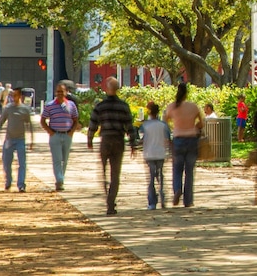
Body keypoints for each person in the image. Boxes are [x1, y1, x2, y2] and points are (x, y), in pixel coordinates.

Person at [86, 76, 137, 216]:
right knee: (115, 174)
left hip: (106, 140)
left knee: (103, 172)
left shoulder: (100, 106)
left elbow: (93, 123)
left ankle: (107, 197)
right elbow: (130, 127)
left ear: (107, 88)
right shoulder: (123, 106)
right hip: (118, 141)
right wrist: (133, 144)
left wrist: (90, 139)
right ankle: (111, 200)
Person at [164, 82, 204, 207]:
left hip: (178, 139)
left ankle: (177, 189)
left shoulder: (172, 107)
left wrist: (173, 129)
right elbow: (202, 122)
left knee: (177, 169)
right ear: (187, 93)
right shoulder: (193, 107)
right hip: (192, 140)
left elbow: (164, 122)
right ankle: (188, 200)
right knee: (189, 171)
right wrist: (195, 127)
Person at [40, 83, 79, 191]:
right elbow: (43, 120)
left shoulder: (71, 105)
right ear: (55, 93)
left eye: (62, 91)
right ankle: (59, 180)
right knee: (57, 160)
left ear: (66, 92)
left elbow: (75, 120)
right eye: (58, 91)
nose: (60, 93)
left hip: (67, 135)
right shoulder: (50, 105)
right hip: (55, 136)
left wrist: (71, 132)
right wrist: (50, 132)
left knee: (64, 160)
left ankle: (61, 179)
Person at [0, 87, 34, 192]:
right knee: (6, 162)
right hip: (9, 140)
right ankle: (8, 181)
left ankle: (21, 184)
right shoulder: (8, 108)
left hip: (20, 140)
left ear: (21, 96)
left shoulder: (25, 109)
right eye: (12, 95)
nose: (14, 97)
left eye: (16, 95)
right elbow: (1, 121)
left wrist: (32, 140)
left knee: (22, 163)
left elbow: (29, 125)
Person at [139, 102, 172, 210]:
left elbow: (141, 139)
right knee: (160, 177)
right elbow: (168, 139)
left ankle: (152, 202)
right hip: (160, 153)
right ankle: (163, 198)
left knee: (151, 178)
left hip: (149, 154)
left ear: (149, 112)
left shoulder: (145, 125)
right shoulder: (163, 125)